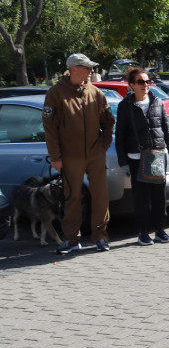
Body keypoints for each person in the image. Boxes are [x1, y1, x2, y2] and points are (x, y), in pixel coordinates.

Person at [44, 53, 116, 254]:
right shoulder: (55, 94)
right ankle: (71, 239)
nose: (91, 71)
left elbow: (109, 122)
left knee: (100, 196)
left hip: (95, 155)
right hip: (69, 156)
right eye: (87, 67)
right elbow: (50, 128)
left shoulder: (95, 93)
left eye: (91, 67)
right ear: (73, 69)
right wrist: (56, 157)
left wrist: (103, 146)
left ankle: (101, 237)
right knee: (72, 197)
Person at [115, 68, 169, 246]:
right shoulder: (125, 106)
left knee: (159, 196)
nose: (146, 85)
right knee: (141, 198)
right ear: (131, 85)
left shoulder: (157, 102)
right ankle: (143, 233)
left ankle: (159, 230)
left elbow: (166, 130)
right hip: (136, 157)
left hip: (156, 156)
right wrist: (123, 162)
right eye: (141, 82)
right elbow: (120, 135)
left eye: (147, 81)